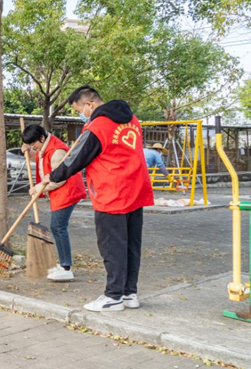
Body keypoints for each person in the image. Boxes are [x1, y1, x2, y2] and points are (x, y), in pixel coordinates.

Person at [42, 86, 154, 312]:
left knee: (112, 246)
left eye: (79, 110)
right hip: (136, 189)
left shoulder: (97, 126)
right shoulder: (132, 120)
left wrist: (50, 177)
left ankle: (113, 296)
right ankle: (129, 293)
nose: (81, 115)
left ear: (89, 105)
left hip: (112, 192)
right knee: (131, 245)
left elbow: (75, 160)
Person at [22, 124, 86, 282]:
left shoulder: (57, 151)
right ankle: (63, 264)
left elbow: (59, 178)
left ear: (41, 138)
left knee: (58, 227)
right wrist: (29, 152)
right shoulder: (45, 146)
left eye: (33, 144)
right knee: (57, 227)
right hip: (60, 192)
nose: (33, 147)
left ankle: (66, 268)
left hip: (67, 191)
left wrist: (37, 188)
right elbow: (41, 160)